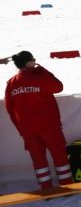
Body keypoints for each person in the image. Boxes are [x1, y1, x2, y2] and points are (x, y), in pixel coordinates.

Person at [5, 51, 72, 189]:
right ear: (29, 63)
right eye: (33, 59)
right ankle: (67, 185)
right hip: (49, 125)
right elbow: (58, 87)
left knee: (38, 159)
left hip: (27, 129)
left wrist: (21, 129)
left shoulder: (11, 83)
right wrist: (42, 70)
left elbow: (10, 108)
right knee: (59, 154)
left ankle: (46, 188)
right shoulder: (40, 77)